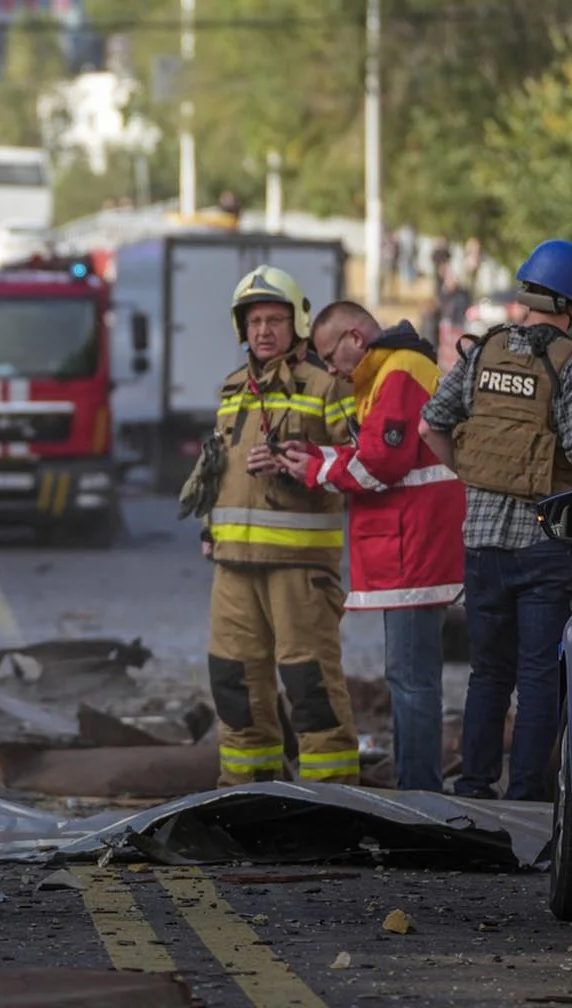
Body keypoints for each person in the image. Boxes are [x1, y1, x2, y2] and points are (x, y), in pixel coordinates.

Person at [418, 238, 572, 803]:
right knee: (538, 674)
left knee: (488, 673)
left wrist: (478, 474)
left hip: (482, 543)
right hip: (543, 542)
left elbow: (429, 425)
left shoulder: (483, 353)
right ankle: (528, 797)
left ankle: (473, 788)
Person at [259, 301, 466, 792]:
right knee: (409, 680)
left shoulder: (396, 375)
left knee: (411, 682)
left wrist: (311, 469)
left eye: (332, 356)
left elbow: (379, 467)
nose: (331, 369)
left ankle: (419, 798)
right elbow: (377, 453)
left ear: (355, 337)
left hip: (413, 548)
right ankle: (418, 788)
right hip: (413, 545)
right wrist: (313, 455)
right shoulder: (393, 371)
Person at [197, 266, 362, 787]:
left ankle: (330, 802)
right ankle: (245, 797)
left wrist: (305, 462)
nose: (264, 330)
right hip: (233, 566)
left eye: (274, 319)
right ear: (241, 328)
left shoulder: (325, 386)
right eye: (254, 320)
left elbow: (358, 462)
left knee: (310, 686)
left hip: (299, 568)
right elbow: (216, 465)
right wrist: (208, 527)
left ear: (298, 324)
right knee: (234, 683)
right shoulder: (231, 389)